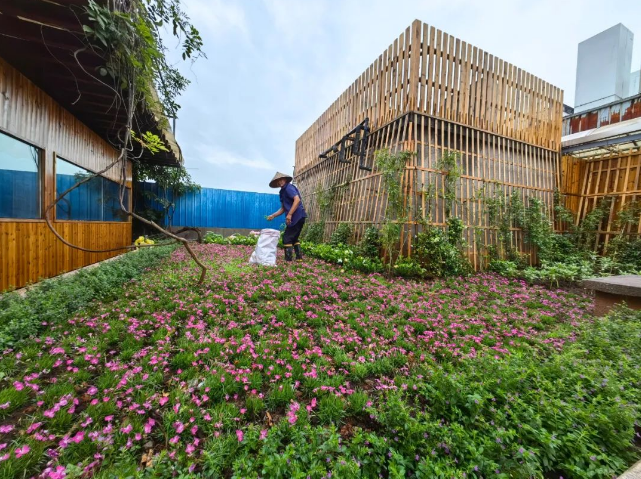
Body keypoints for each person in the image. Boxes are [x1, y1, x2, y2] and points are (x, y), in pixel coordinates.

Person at [266, 172, 307, 261]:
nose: (279, 182)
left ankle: (288, 261)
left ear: (285, 179)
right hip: (299, 216)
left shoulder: (289, 188)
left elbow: (297, 200)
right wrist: (273, 215)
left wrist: (290, 214)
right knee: (294, 238)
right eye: (277, 181)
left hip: (297, 216)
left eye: (281, 179)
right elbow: (283, 208)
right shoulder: (282, 191)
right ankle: (299, 259)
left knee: (287, 238)